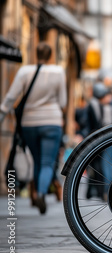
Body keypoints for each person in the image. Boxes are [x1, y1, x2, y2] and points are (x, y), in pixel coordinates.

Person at [0, 42, 66, 214]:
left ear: (36, 54)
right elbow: (63, 102)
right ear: (51, 55)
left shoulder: (24, 71)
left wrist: (1, 115)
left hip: (29, 123)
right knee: (47, 162)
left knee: (37, 159)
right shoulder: (58, 72)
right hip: (51, 121)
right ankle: (41, 193)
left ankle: (36, 192)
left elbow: (10, 97)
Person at [87, 82, 112, 200]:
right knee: (108, 166)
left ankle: (104, 191)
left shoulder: (93, 105)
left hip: (98, 139)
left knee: (102, 166)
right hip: (108, 139)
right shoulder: (109, 108)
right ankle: (107, 191)